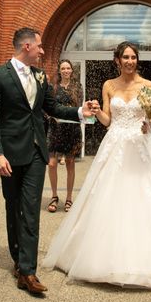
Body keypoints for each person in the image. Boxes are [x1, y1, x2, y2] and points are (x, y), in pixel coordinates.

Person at [43, 41, 151, 289]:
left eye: (133, 57)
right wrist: (98, 111)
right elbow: (108, 121)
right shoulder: (109, 85)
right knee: (108, 195)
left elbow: (150, 116)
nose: (130, 61)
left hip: (140, 146)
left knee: (146, 196)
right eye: (126, 57)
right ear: (117, 60)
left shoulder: (147, 85)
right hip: (115, 145)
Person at [0, 27, 93, 295]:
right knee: (14, 206)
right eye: (40, 46)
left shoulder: (40, 76)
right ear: (26, 47)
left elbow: (52, 108)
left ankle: (28, 272)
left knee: (31, 208)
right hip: (8, 153)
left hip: (35, 152)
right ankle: (18, 258)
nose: (43, 51)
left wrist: (80, 111)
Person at [46, 60, 82, 213]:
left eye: (68, 68)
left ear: (72, 71)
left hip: (72, 128)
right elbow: (47, 107)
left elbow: (79, 107)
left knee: (70, 163)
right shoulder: (52, 88)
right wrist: (49, 116)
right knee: (52, 163)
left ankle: (68, 198)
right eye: (63, 68)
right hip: (56, 128)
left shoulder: (77, 88)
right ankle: (54, 196)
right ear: (59, 71)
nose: (66, 70)